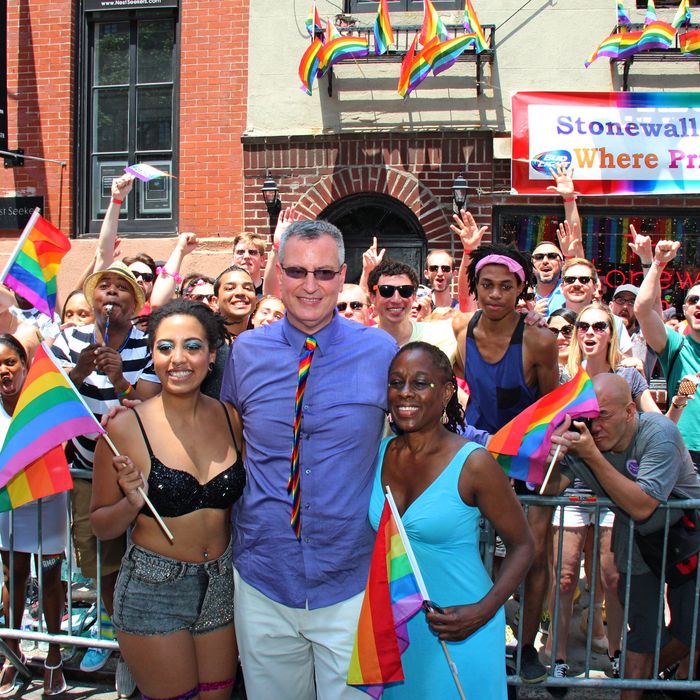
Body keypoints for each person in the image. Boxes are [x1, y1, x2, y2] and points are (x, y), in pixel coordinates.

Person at [221, 219, 398, 700]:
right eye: (297, 272)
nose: (309, 285)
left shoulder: (381, 350)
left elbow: (419, 434)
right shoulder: (245, 353)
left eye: (323, 273)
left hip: (350, 577)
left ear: (343, 276)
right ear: (278, 274)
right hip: (263, 574)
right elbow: (225, 437)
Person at [91, 300, 244, 700]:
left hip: (222, 585)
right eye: (164, 347)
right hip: (152, 590)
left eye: (192, 346)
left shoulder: (231, 418)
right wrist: (131, 500)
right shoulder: (124, 427)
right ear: (152, 357)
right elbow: (100, 525)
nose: (178, 359)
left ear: (212, 355)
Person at [369, 342, 534, 698]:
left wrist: (483, 611)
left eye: (420, 383)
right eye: (396, 382)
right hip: (397, 627)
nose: (405, 393)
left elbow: (523, 545)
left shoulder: (473, 463)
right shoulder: (380, 452)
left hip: (461, 626)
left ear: (446, 392)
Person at [548, 373, 700, 700]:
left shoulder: (659, 433)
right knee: (643, 634)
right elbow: (548, 491)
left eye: (604, 415)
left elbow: (642, 504)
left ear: (630, 411)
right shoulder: (583, 442)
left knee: (690, 631)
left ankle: (654, 679)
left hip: (689, 537)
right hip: (636, 538)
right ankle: (640, 686)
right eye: (590, 416)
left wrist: (591, 456)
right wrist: (553, 456)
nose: (596, 425)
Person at [452, 242, 559, 684]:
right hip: (477, 459)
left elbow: (554, 408)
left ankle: (528, 647)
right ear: (475, 288)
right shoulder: (461, 328)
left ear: (521, 289)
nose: (495, 294)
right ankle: (486, 645)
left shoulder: (540, 338)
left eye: (506, 286)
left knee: (532, 557)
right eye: (487, 285)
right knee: (476, 558)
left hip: (529, 463)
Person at [51, 261, 161, 684]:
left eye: (121, 289)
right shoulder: (67, 338)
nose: (111, 295)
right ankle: (120, 640)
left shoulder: (148, 343)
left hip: (138, 467)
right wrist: (80, 370)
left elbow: (150, 404)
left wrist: (119, 379)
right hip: (83, 468)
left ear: (135, 302)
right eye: (105, 288)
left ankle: (138, 644)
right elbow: (55, 399)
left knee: (143, 554)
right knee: (101, 558)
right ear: (92, 298)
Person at [0, 335, 67, 696]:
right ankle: (14, 654)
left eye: (10, 362)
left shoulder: (43, 405)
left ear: (24, 365)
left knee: (51, 576)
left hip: (48, 503)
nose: (4, 370)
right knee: (14, 576)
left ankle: (55, 656)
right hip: (8, 508)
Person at [634, 240, 700, 470]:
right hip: (684, 449)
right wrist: (658, 263)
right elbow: (642, 308)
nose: (699, 305)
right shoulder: (674, 345)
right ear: (685, 310)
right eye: (693, 300)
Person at [368, 259, 457, 362]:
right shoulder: (361, 342)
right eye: (386, 290)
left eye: (405, 291)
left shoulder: (441, 335)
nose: (396, 299)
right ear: (372, 297)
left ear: (414, 296)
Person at [561, 258, 633, 356]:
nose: (576, 284)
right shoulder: (551, 322)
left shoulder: (615, 323)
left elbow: (627, 361)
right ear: (562, 287)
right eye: (570, 280)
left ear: (595, 287)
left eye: (584, 280)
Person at [211, 265, 256, 339]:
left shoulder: (264, 342)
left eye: (247, 288)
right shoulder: (206, 342)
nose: (240, 292)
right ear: (215, 301)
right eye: (230, 288)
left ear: (256, 300)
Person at [546, 308, 577, 383]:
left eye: (568, 331)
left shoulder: (590, 371)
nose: (560, 338)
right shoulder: (540, 376)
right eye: (553, 332)